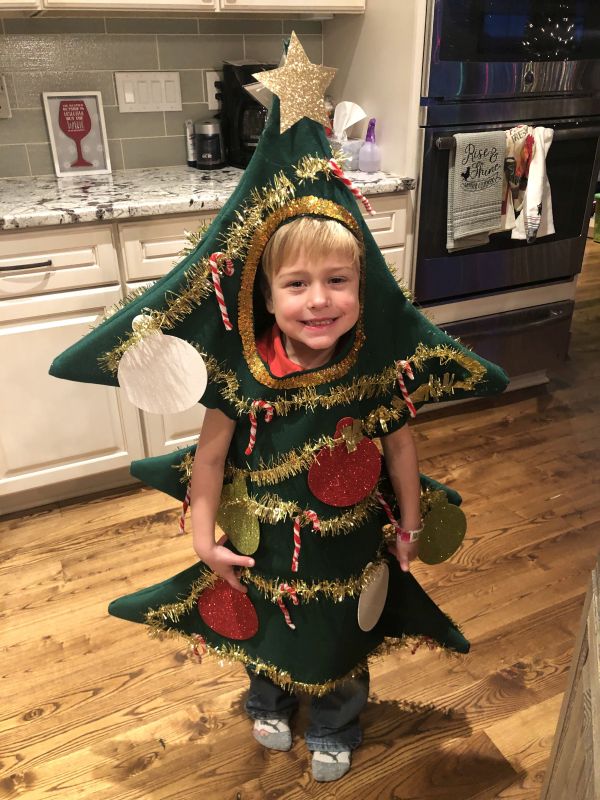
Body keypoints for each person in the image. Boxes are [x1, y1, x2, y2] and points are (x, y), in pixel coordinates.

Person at [190, 216, 423, 782]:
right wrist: (203, 542)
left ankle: (335, 725)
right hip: (264, 546)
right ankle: (268, 700)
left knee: (346, 630)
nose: (319, 300)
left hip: (347, 546)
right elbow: (210, 460)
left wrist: (410, 526)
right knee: (265, 621)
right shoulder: (242, 373)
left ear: (361, 288)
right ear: (269, 298)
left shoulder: (373, 369)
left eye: (337, 280)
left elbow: (399, 449)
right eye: (296, 283)